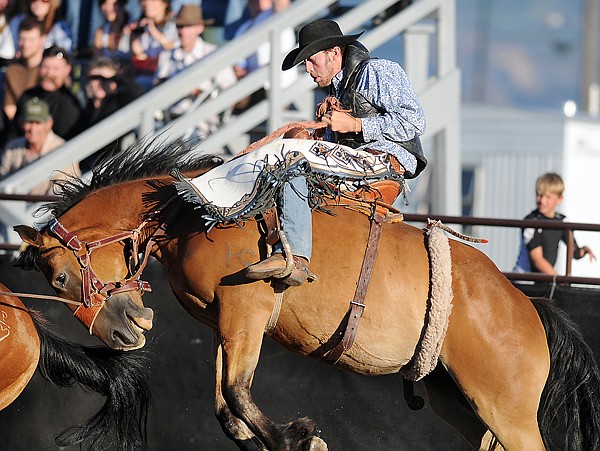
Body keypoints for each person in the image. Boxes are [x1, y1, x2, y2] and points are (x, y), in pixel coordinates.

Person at [176, 19, 426, 287]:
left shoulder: (379, 71)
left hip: (385, 160)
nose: (307, 69)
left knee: (292, 161)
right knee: (286, 153)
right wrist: (319, 137)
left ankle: (294, 256)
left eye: (312, 60)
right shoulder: (337, 88)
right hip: (358, 162)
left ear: (334, 53)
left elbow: (415, 122)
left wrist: (356, 124)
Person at [154, 4, 236, 126]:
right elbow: (156, 90)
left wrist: (197, 92)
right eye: (180, 26)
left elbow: (231, 94)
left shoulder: (214, 54)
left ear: (200, 28)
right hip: (169, 122)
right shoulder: (166, 56)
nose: (183, 31)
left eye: (188, 26)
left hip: (204, 124)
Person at [513, 172, 596, 276]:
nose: (542, 200)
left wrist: (583, 250)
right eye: (539, 195)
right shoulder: (531, 221)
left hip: (545, 280)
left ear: (560, 199)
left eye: (548, 197)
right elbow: (537, 260)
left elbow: (574, 251)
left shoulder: (563, 221)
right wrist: (559, 280)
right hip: (524, 281)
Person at [76, 55, 143, 172]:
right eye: (95, 78)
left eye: (105, 79)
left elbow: (139, 94)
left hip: (113, 165)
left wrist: (116, 78)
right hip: (89, 164)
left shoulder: (119, 101)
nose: (100, 83)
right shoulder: (85, 105)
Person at [231, 0, 296, 112]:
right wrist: (236, 70)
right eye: (252, 2)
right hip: (253, 88)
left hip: (278, 87)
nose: (256, 3)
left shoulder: (275, 14)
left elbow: (282, 5)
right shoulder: (245, 27)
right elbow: (235, 61)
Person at [0, 96, 70, 195]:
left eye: (38, 122)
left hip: (47, 208)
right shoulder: (12, 147)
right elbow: (2, 181)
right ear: (21, 124)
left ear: (49, 124)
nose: (33, 128)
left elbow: (60, 196)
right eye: (29, 122)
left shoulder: (62, 150)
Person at [15, 45, 83, 140]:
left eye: (56, 69)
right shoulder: (27, 96)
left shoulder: (71, 104)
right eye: (45, 67)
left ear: (67, 70)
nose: (49, 74)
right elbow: (13, 131)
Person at [126, 0, 178, 91]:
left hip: (170, 80)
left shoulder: (175, 24)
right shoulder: (144, 27)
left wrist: (153, 30)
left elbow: (171, 45)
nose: (147, 4)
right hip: (149, 79)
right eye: (143, 0)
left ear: (165, 3)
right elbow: (138, 54)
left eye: (153, 0)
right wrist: (134, 33)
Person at [3, 17, 45, 123]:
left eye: (31, 40)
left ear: (42, 40)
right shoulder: (12, 71)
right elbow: (9, 109)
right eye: (22, 39)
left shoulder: (50, 70)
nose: (25, 45)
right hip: (20, 125)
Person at [9, 0, 73, 54]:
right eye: (34, 0)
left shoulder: (60, 27)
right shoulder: (19, 21)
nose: (38, 3)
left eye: (44, 0)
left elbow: (64, 53)